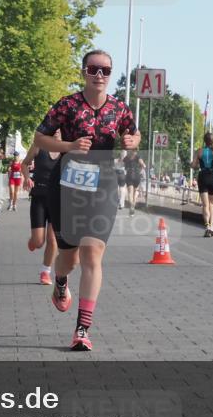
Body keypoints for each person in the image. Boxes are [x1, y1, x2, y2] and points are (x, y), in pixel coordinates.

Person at [33, 49, 140, 351]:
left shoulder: (120, 108)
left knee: (92, 254)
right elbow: (40, 138)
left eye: (106, 70)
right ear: (84, 72)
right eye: (94, 69)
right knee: (69, 258)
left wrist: (132, 142)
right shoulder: (67, 105)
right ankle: (61, 282)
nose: (100, 75)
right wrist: (68, 144)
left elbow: (134, 135)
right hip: (66, 185)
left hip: (104, 184)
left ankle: (82, 329)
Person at [21, 132, 62, 285]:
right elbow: (24, 163)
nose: (57, 130)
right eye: (55, 127)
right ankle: (34, 240)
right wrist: (27, 178)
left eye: (60, 127)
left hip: (58, 199)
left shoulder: (68, 148)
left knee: (53, 239)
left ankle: (45, 272)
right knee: (39, 242)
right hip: (39, 196)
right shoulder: (39, 144)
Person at [192, 132, 213, 237]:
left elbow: (193, 165)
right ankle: (212, 227)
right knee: (211, 204)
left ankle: (207, 226)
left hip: (203, 177)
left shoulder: (199, 151)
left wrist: (195, 164)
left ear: (204, 140)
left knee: (205, 205)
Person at [123, 148, 144, 216]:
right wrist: (141, 170)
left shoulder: (126, 157)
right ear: (136, 151)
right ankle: (133, 206)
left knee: (130, 193)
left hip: (129, 175)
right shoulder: (138, 157)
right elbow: (144, 165)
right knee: (135, 192)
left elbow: (122, 165)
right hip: (137, 175)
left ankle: (131, 205)